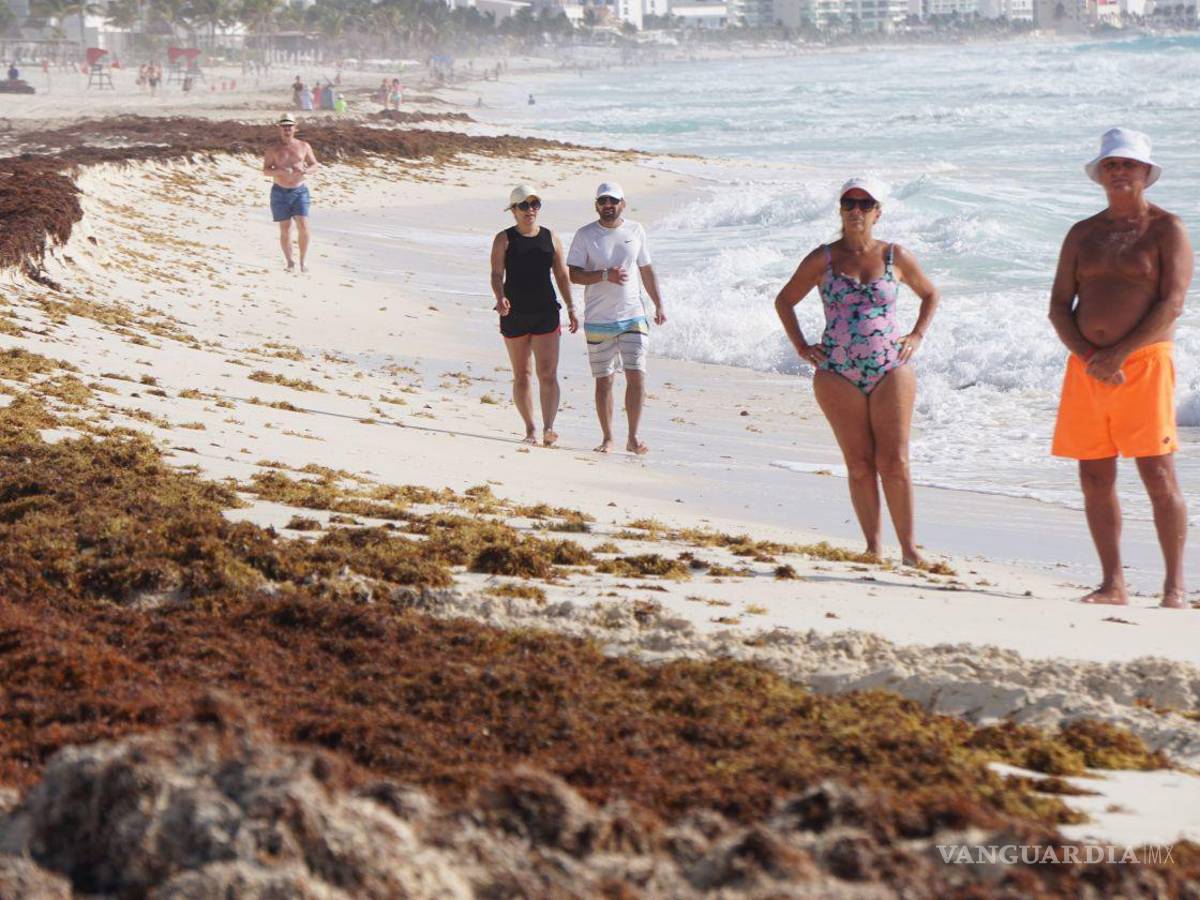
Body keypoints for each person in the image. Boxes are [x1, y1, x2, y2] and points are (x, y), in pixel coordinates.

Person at [1048, 128, 1192, 609]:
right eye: (1112, 163)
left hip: (1146, 365)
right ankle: (1113, 583)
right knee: (1093, 475)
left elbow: (1171, 305)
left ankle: (1174, 587)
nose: (1120, 170)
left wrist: (1119, 354)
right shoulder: (1082, 233)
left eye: (1129, 164)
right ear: (1100, 173)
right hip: (1087, 367)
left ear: (1147, 173)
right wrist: (1092, 358)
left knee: (1157, 472)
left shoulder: (1166, 229)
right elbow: (1058, 307)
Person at [774, 177, 940, 566]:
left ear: (878, 213)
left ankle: (910, 550)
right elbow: (784, 300)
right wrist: (801, 345)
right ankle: (873, 547)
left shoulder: (896, 256)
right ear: (840, 209)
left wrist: (916, 334)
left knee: (895, 461)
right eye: (849, 203)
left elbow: (930, 293)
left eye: (865, 204)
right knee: (860, 464)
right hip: (837, 372)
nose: (856, 210)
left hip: (891, 368)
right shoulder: (823, 259)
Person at [567, 182, 666, 455]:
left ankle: (633, 437)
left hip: (633, 315)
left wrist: (659, 304)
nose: (607, 206)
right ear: (596, 205)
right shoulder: (586, 235)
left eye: (612, 201)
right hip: (598, 318)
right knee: (605, 380)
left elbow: (645, 269)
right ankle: (608, 437)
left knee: (637, 375)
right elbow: (572, 274)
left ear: (623, 203)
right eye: (602, 202)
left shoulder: (636, 230)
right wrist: (603, 276)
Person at [490, 186, 578, 447]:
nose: (530, 210)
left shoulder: (551, 237)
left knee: (548, 373)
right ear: (513, 210)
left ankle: (549, 428)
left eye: (535, 204)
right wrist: (500, 296)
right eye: (524, 206)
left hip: (546, 312)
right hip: (514, 313)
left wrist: (572, 306)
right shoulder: (503, 239)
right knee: (522, 374)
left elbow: (562, 275)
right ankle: (530, 428)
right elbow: (496, 274)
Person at [262, 113, 319, 273]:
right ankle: (290, 262)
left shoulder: (303, 146)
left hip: (299, 191)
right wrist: (279, 171)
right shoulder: (273, 149)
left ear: (295, 128)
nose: (287, 129)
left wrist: (306, 171)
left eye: (290, 126)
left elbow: (315, 165)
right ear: (279, 128)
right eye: (284, 126)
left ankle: (303, 261)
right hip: (279, 192)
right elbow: (266, 171)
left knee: (303, 224)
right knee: (285, 228)